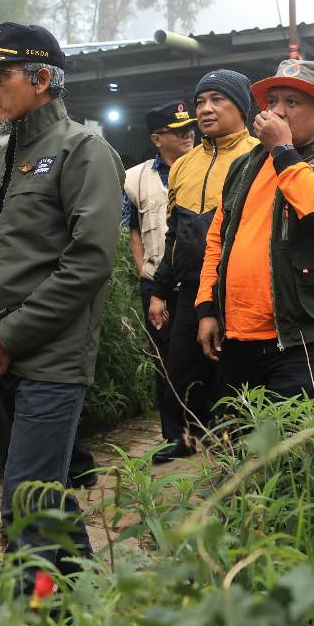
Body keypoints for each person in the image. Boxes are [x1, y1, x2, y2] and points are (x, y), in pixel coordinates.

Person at [0, 22, 124, 589]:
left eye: (1, 76)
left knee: (23, 506)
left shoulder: (83, 151)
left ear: (43, 79)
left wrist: (13, 334)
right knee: (42, 496)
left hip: (50, 359)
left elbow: (90, 262)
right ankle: (87, 608)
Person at [195, 60, 314, 413]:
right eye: (273, 101)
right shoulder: (244, 166)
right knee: (234, 440)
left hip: (301, 335)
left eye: (292, 102)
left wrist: (283, 151)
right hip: (237, 333)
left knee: (288, 448)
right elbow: (218, 240)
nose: (277, 111)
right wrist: (207, 309)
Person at [147, 70, 258, 462]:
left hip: (240, 287)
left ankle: (229, 441)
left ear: (241, 107)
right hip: (190, 288)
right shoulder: (184, 164)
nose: (206, 109)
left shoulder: (258, 157)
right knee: (179, 366)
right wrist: (160, 288)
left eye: (217, 100)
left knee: (229, 370)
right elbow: (174, 232)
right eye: (200, 102)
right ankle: (178, 438)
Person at [122, 101, 195, 433]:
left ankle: (203, 429)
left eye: (189, 128)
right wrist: (143, 272)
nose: (187, 135)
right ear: (156, 138)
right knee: (163, 359)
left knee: (201, 355)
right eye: (177, 131)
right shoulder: (134, 178)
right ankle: (172, 434)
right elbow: (134, 228)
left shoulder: (206, 168)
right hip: (156, 285)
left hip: (197, 281)